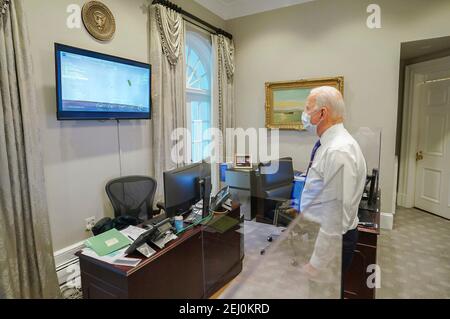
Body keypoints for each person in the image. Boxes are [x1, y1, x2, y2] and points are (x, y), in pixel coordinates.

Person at [299, 86, 367, 297]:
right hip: (322, 235)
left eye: (307, 109)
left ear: (323, 113)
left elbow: (335, 216)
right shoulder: (329, 145)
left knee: (323, 293)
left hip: (332, 240)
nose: (304, 114)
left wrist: (317, 262)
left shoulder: (338, 150)